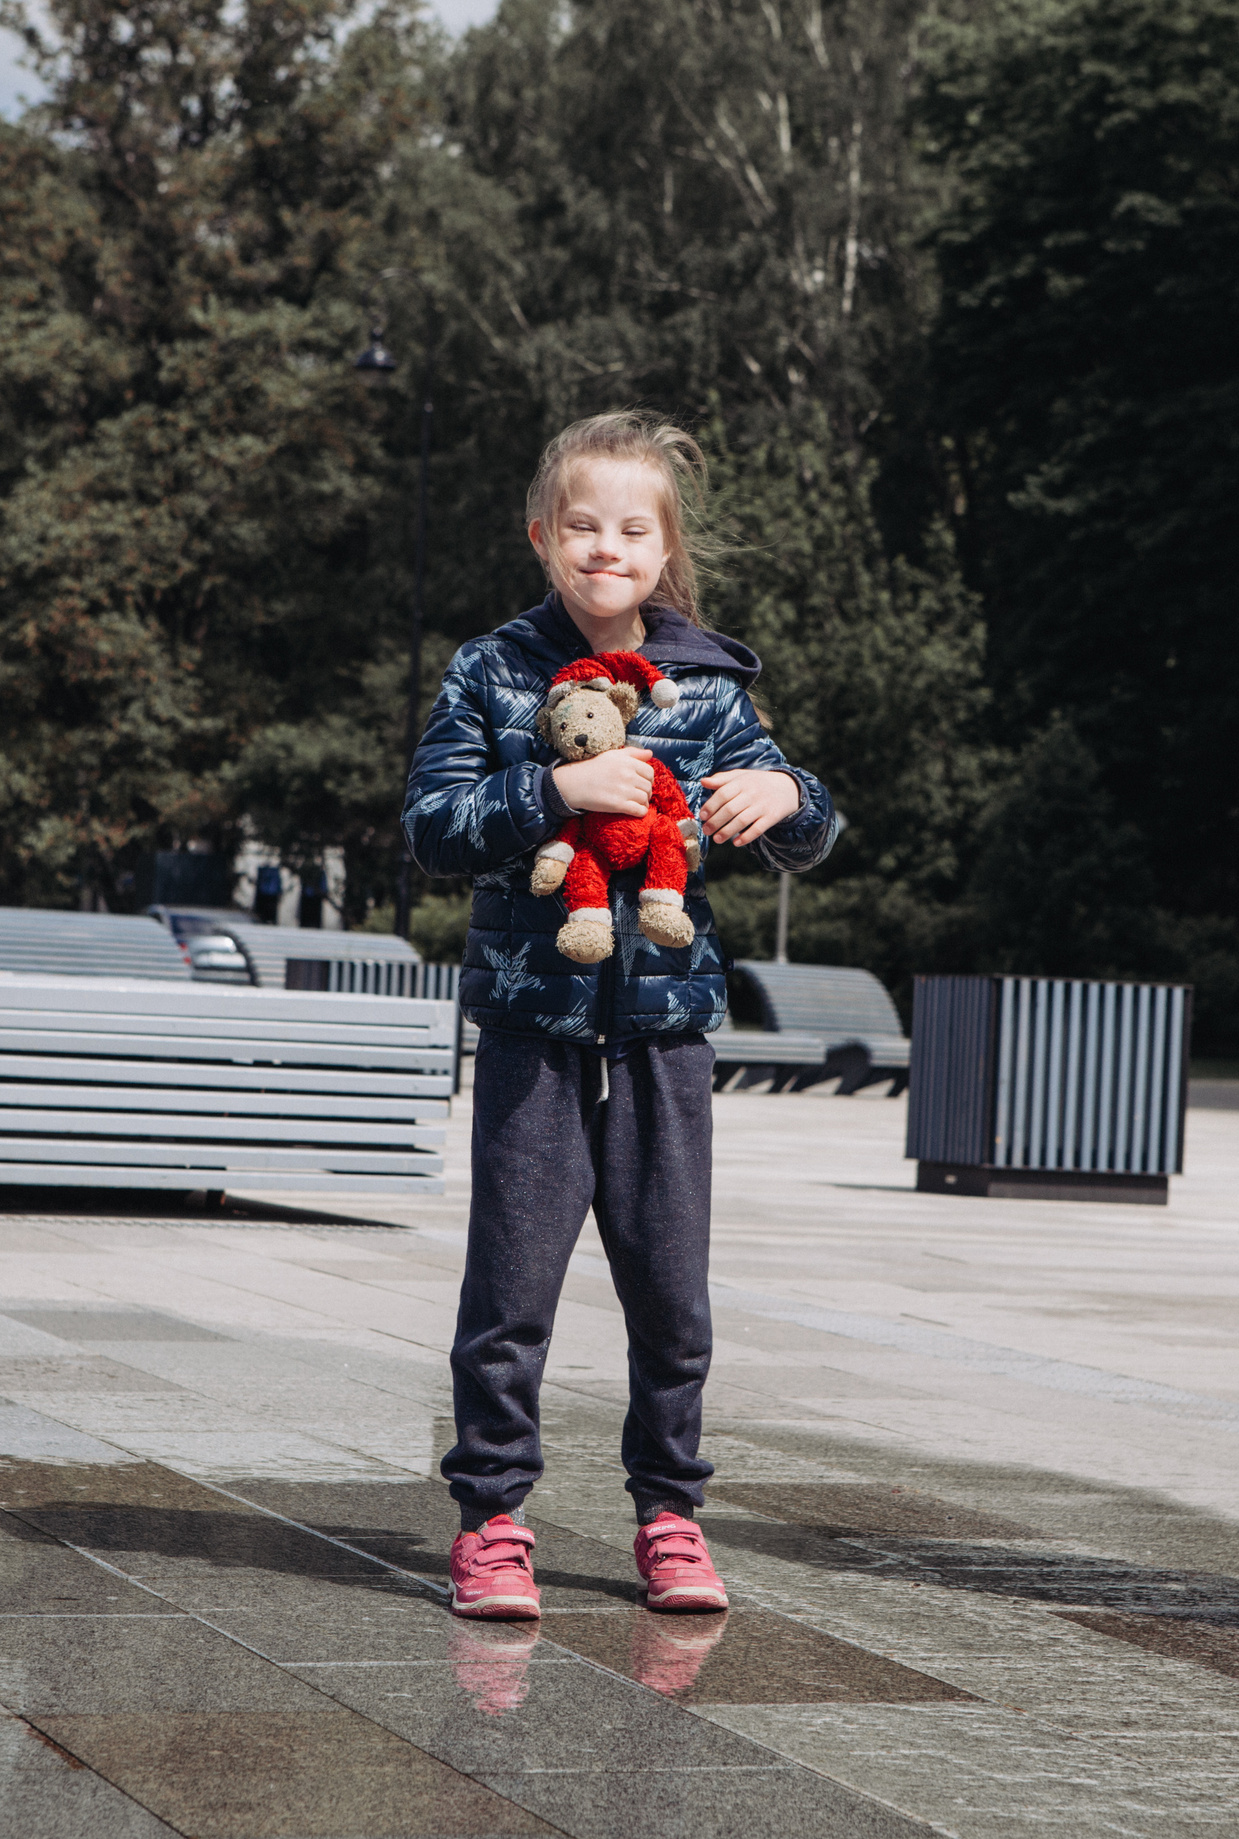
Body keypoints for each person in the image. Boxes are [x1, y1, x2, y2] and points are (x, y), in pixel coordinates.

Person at [404, 411, 837, 1620]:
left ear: (663, 550)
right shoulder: (490, 669)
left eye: (632, 529)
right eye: (582, 525)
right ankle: (491, 1518)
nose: (607, 547)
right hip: (535, 1025)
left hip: (664, 1028)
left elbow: (811, 829)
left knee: (670, 1290)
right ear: (543, 536)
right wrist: (548, 788)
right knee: (511, 1287)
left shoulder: (708, 683)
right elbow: (432, 826)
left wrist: (784, 791)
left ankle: (670, 1515)